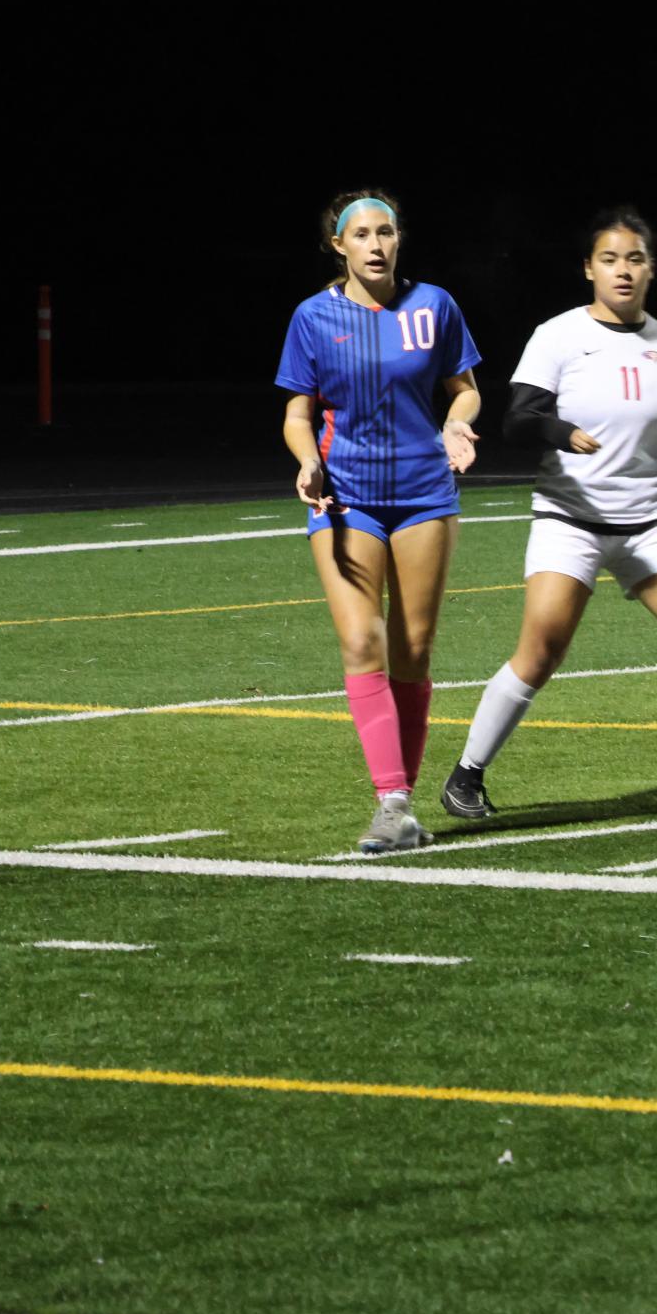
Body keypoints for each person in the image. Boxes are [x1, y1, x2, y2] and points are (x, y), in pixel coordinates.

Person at [440, 208, 657, 818]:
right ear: (589, 268)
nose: (623, 270)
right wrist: (561, 431)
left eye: (635, 259)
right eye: (610, 259)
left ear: (652, 271)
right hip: (570, 521)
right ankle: (466, 775)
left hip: (652, 523)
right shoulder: (559, 334)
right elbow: (516, 420)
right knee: (541, 650)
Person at [276, 189, 481, 854]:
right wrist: (308, 462)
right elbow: (297, 413)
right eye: (360, 233)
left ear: (399, 239)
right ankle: (391, 804)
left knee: (412, 651)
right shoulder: (313, 317)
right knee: (362, 643)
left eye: (385, 231)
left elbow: (466, 387)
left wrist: (457, 424)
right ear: (338, 245)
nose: (375, 243)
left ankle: (405, 806)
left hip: (424, 493)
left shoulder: (434, 306)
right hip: (347, 498)